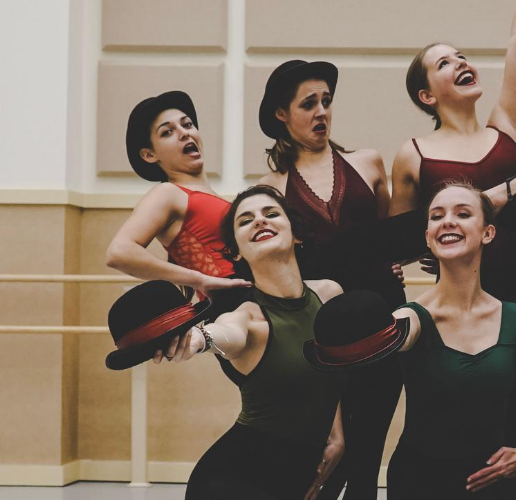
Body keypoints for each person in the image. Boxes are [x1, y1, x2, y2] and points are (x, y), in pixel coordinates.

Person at [390, 0, 516, 450]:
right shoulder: (414, 154)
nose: (461, 62)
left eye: (461, 55)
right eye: (444, 62)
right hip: (457, 308)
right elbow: (400, 240)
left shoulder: (507, 129)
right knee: (460, 420)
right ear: (427, 95)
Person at [254, 58, 405, 500]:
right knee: (330, 447)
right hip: (324, 329)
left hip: (383, 316)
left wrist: (396, 261)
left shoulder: (368, 161)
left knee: (370, 442)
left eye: (326, 101)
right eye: (308, 104)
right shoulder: (271, 187)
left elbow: (385, 233)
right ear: (282, 114)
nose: (322, 111)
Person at [158, 185, 345, 500]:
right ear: (236, 252)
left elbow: (332, 368)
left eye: (271, 213)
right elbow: (222, 334)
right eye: (245, 220)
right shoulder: (247, 318)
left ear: (296, 234)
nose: (260, 221)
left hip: (299, 473)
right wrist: (197, 340)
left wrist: (337, 436)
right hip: (232, 481)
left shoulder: (329, 296)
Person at [385, 183, 516, 499]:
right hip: (420, 483)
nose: (448, 221)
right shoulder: (410, 317)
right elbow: (399, 332)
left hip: (490, 482)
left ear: (488, 233)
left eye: (463, 213)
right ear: (428, 238)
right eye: (437, 216)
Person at [106, 90, 252, 300]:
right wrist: (199, 280)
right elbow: (119, 253)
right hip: (232, 309)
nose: (184, 133)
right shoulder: (168, 193)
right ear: (149, 154)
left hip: (255, 304)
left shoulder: (212, 198)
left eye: (187, 124)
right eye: (167, 132)